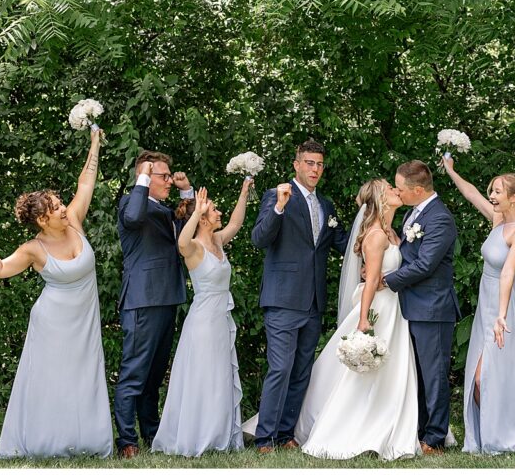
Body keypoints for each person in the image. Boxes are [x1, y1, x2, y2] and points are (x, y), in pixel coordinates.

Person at [0, 127, 112, 459]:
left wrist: (94, 145)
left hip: (83, 320)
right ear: (43, 219)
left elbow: (85, 183)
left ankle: (86, 441)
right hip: (52, 322)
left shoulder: (74, 221)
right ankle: (49, 441)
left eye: (61, 203)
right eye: (57, 207)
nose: (63, 208)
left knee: (83, 376)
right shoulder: (34, 248)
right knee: (54, 380)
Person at [290, 179, 420, 460]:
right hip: (377, 310)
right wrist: (364, 320)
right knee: (366, 372)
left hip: (394, 308)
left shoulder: (393, 232)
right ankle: (350, 427)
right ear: (381, 199)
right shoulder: (376, 235)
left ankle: (390, 425)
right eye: (390, 189)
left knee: (390, 371)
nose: (397, 191)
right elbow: (372, 279)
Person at [249, 139, 348, 453]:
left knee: (302, 371)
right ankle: (265, 438)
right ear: (296, 165)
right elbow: (259, 238)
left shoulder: (326, 205)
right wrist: (278, 207)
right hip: (282, 299)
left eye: (319, 164)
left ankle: (284, 434)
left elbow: (343, 243)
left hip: (314, 301)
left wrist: (378, 240)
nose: (315, 169)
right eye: (309, 163)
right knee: (280, 368)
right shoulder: (277, 196)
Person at [442, 157, 515, 455]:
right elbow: (471, 193)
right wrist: (451, 170)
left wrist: (500, 316)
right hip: (487, 302)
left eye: (498, 191)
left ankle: (505, 432)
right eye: (493, 190)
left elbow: (509, 274)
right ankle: (487, 432)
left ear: (514, 197)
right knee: (480, 373)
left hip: (502, 305)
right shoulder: (498, 221)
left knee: (486, 375)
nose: (492, 195)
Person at [151, 180, 253, 456]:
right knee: (204, 377)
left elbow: (236, 222)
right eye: (214, 210)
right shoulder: (194, 247)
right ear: (204, 219)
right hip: (203, 322)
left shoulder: (218, 240)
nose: (219, 213)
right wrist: (197, 211)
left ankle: (220, 432)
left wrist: (244, 191)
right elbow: (180, 241)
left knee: (220, 375)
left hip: (221, 319)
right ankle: (199, 435)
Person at [114, 150, 194, 458]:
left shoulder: (164, 209)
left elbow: (190, 229)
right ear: (145, 176)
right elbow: (134, 217)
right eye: (163, 176)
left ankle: (151, 432)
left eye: (168, 176)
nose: (168, 182)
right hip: (142, 299)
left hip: (168, 298)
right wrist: (143, 177)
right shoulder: (130, 204)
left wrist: (187, 191)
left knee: (153, 375)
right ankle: (126, 440)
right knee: (134, 372)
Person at [382, 160, 460, 455]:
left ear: (416, 189)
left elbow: (426, 264)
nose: (397, 192)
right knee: (418, 374)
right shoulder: (416, 213)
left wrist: (386, 280)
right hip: (412, 306)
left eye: (400, 188)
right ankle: (419, 429)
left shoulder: (439, 218)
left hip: (432, 308)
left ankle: (436, 437)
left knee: (435, 374)